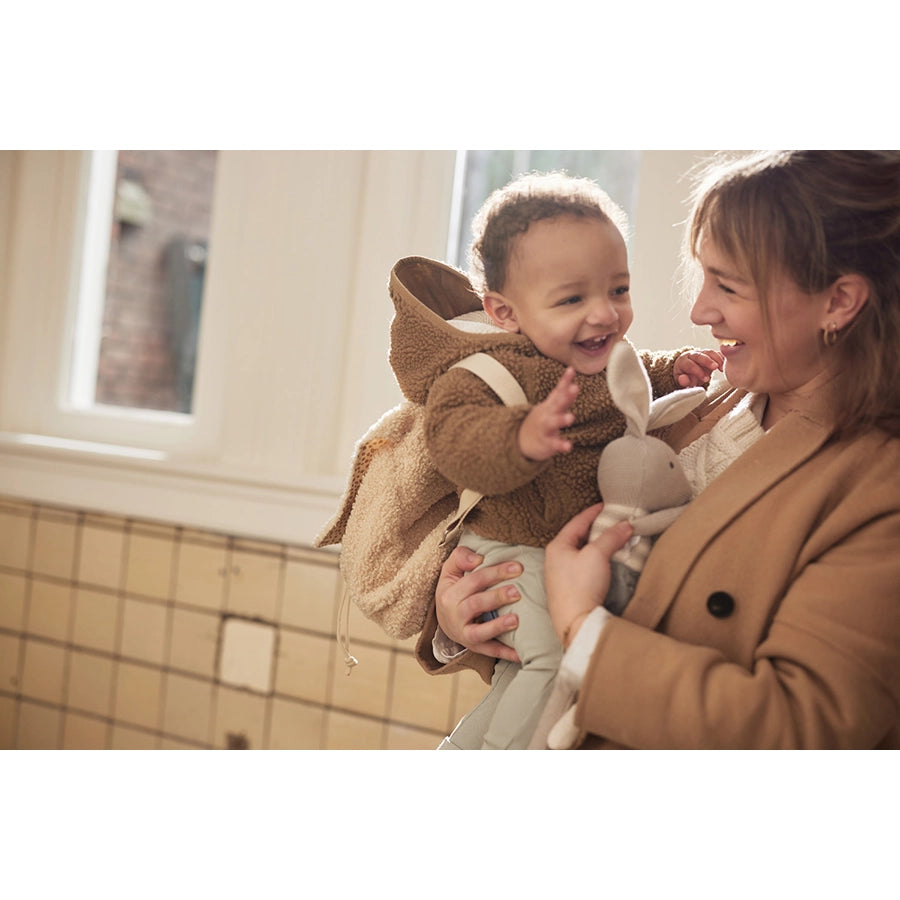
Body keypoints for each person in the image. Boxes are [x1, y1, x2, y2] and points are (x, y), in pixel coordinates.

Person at [417, 150, 900, 749]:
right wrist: (469, 611)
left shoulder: (877, 485)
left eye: (729, 285)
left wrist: (581, 627)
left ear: (839, 302)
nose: (700, 311)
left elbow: (800, 729)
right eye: (704, 278)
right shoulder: (704, 398)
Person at [389, 172, 721, 749]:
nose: (605, 314)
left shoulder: (596, 358)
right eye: (573, 299)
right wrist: (519, 437)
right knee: (552, 661)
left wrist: (674, 369)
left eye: (618, 290)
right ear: (504, 311)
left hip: (558, 555)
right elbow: (455, 439)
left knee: (526, 674)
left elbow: (633, 372)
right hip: (514, 547)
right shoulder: (488, 372)